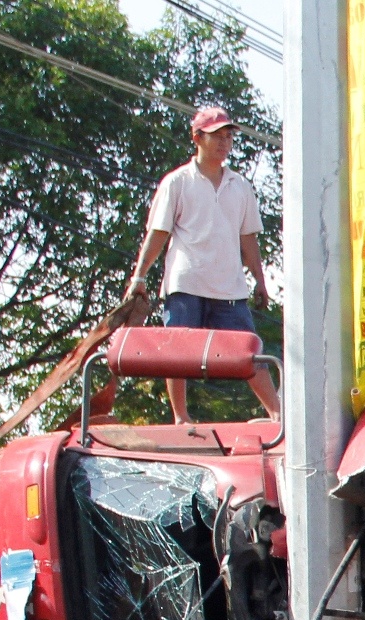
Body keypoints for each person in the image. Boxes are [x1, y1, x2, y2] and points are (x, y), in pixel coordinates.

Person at [123, 104, 280, 423]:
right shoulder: (177, 182)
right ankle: (180, 417)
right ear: (197, 138)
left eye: (227, 136)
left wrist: (261, 281)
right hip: (187, 283)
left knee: (249, 353)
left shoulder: (240, 185)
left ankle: (277, 413)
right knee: (177, 351)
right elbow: (158, 233)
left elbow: (248, 238)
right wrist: (139, 277)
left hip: (229, 287)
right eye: (215, 136)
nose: (223, 143)